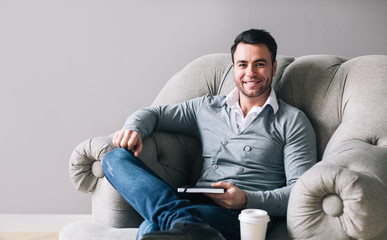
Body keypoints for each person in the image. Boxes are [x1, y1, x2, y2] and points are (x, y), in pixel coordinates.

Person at [102, 29, 317, 240]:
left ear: (274, 68)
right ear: (234, 68)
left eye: (260, 64)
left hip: (241, 216)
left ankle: (181, 222)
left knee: (152, 227)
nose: (250, 73)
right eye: (242, 64)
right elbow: (154, 114)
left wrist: (246, 199)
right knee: (114, 158)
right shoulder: (207, 107)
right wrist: (134, 129)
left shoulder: (292, 121)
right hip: (194, 201)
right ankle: (183, 221)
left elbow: (300, 192)